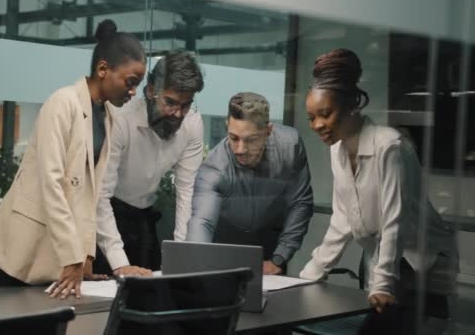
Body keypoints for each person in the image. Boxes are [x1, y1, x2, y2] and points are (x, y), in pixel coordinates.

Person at [0, 19, 146, 299]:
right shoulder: (62, 102)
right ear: (103, 69)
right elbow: (52, 184)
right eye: (130, 82)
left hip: (53, 257)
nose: (133, 92)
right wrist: (73, 256)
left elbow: (92, 195)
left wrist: (87, 254)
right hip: (20, 252)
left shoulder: (109, 117)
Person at [299, 48, 457, 333]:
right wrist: (312, 273)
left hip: (423, 262)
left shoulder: (389, 146)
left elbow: (394, 221)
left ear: (350, 105)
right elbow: (342, 219)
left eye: (325, 113)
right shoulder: (337, 150)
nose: (318, 125)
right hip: (391, 261)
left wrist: (382, 282)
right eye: (311, 118)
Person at [94, 50, 205, 276]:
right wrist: (119, 263)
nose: (177, 114)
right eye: (171, 102)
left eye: (185, 105)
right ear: (152, 90)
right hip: (106, 216)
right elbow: (100, 195)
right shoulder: (120, 118)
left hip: (144, 216)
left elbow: (187, 192)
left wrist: (182, 256)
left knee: (155, 289)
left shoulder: (192, 123)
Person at [186, 92, 314, 275]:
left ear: (268, 131)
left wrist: (280, 257)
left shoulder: (290, 146)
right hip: (224, 245)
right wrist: (197, 267)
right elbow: (202, 221)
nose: (240, 149)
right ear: (227, 126)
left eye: (251, 140)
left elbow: (300, 202)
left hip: (269, 244)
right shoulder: (214, 169)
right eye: (234, 137)